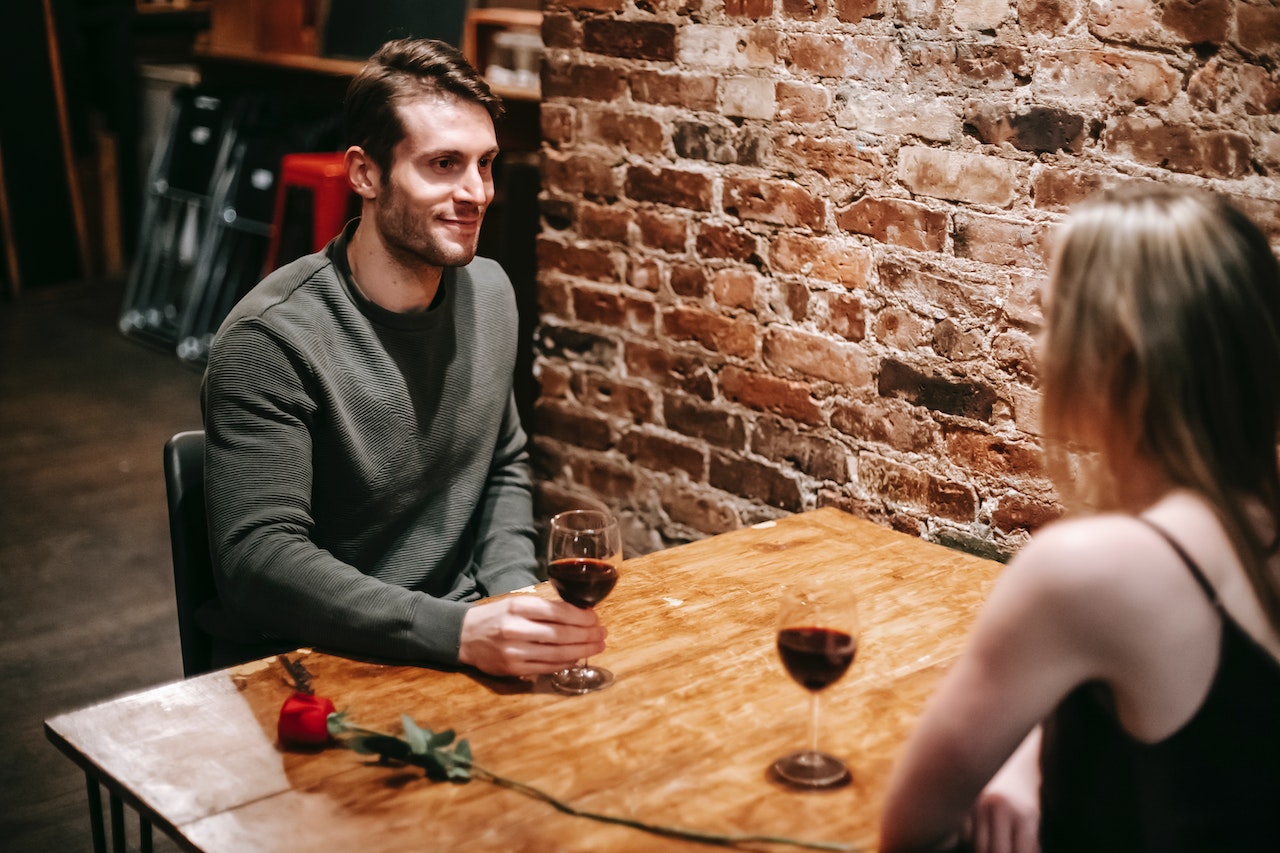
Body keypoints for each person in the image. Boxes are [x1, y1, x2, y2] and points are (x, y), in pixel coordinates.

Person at [879, 186, 1280, 852]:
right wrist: (1024, 764)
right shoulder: (1245, 515)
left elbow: (912, 831)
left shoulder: (1094, 567)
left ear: (1117, 354)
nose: (1044, 347)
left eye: (1055, 318)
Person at [199, 38, 605, 676]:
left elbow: (501, 463)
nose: (476, 192)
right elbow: (258, 560)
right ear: (365, 173)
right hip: (318, 659)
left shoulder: (493, 292)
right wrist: (460, 630)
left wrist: (513, 598)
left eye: (485, 164)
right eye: (443, 164)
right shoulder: (271, 337)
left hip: (459, 632)